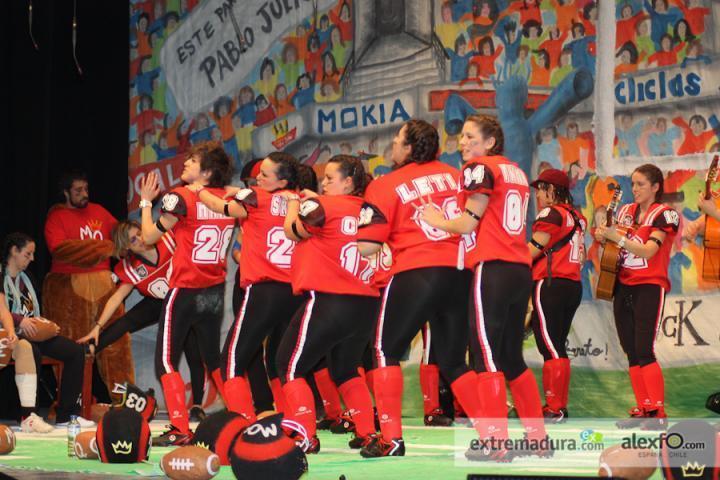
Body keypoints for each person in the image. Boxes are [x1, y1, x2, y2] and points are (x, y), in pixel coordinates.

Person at [419, 114, 550, 461]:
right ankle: (537, 438)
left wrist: (436, 221)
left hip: (492, 268)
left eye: (470, 137)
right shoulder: (517, 171)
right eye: (461, 137)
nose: (462, 143)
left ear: (491, 142)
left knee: (485, 356)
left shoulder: (479, 169)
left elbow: (467, 222)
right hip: (519, 269)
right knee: (510, 357)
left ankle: (497, 443)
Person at [356, 119, 485, 458]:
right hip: (459, 271)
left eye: (397, 141)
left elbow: (367, 247)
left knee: (384, 351)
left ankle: (391, 439)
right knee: (455, 361)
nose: (392, 148)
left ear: (409, 148)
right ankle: (491, 434)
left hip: (415, 270)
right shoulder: (455, 175)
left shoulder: (385, 184)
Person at [188, 152, 305, 422]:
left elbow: (223, 208)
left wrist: (198, 192)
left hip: (264, 290)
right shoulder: (301, 200)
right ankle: (299, 426)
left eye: (265, 175)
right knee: (287, 364)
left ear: (282, 180)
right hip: (295, 293)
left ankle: (241, 425)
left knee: (231, 360)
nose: (257, 178)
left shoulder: (256, 198)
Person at [277, 155, 379, 453]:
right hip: (366, 303)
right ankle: (368, 432)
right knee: (347, 369)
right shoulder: (369, 209)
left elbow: (292, 230)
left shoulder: (322, 205)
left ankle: (304, 434)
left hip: (329, 299)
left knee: (289, 364)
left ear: (349, 181)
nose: (323, 182)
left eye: (330, 178)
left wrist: (294, 205)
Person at [139, 141, 235, 446]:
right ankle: (239, 419)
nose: (185, 164)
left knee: (166, 361)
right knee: (213, 360)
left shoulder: (180, 197)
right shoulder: (230, 198)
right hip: (215, 291)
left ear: (206, 172)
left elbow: (148, 237)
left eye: (192, 161)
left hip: (186, 289)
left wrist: (144, 203)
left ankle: (180, 427)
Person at [75, 221, 208, 421]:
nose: (140, 240)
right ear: (126, 247)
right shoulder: (130, 267)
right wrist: (97, 327)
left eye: (139, 233)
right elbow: (116, 298)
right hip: (157, 302)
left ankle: (197, 405)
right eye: (133, 239)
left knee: (193, 349)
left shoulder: (168, 241)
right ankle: (90, 348)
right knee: (126, 321)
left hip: (182, 301)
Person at [595, 164, 679, 430]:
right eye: (633, 184)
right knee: (630, 350)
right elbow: (614, 243)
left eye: (641, 184)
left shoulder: (664, 214)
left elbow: (648, 252)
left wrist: (616, 239)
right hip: (623, 284)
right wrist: (603, 237)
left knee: (644, 349)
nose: (635, 189)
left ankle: (658, 411)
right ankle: (644, 408)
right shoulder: (626, 211)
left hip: (649, 286)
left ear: (656, 187)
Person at [42, 171, 133, 400]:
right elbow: (61, 250)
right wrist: (103, 248)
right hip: (67, 289)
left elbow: (121, 235)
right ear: (66, 192)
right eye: (78, 191)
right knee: (71, 346)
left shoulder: (99, 211)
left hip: (104, 286)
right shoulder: (57, 216)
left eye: (86, 189)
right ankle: (74, 403)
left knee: (116, 345)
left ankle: (126, 402)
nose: (84, 194)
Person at [2, 233, 92, 430]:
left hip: (31, 332)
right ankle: (29, 415)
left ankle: (67, 415)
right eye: (27, 254)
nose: (32, 259)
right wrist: (20, 321)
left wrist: (47, 326)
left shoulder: (28, 278)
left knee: (75, 351)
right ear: (14, 251)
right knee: (30, 350)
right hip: (9, 335)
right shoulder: (1, 275)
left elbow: (35, 312)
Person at [526, 169, 586, 423]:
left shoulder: (551, 213)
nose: (538, 194)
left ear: (552, 190)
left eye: (541, 188)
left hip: (550, 282)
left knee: (549, 345)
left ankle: (554, 406)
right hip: (571, 284)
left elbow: (534, 249)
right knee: (556, 344)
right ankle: (558, 405)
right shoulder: (578, 216)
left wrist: (506, 260)